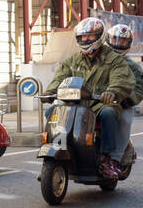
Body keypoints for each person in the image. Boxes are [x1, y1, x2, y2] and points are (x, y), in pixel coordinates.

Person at [45, 17, 135, 179]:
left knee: (109, 113)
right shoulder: (72, 60)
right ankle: (60, 147)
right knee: (52, 111)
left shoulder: (114, 59)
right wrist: (50, 92)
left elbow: (121, 78)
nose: (86, 40)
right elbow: (60, 77)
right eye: (83, 37)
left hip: (100, 103)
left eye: (90, 36)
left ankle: (107, 158)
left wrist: (113, 92)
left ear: (99, 36)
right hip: (75, 103)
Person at [104, 22, 143, 157]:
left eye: (123, 41)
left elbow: (139, 89)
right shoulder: (98, 60)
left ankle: (116, 157)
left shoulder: (133, 66)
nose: (119, 44)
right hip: (95, 101)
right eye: (116, 39)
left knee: (125, 119)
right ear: (108, 40)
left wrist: (126, 100)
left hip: (120, 104)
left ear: (128, 44)